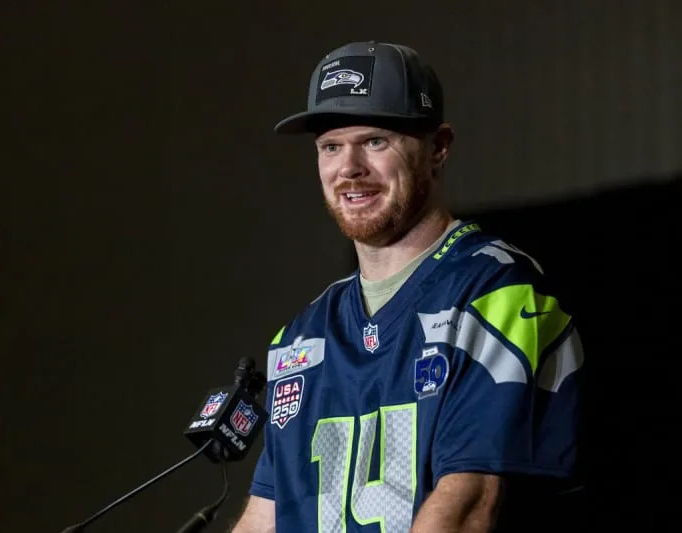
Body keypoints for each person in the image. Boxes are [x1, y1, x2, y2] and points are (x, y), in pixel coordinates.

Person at [231, 40, 585, 533]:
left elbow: (467, 506)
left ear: (438, 147)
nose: (348, 168)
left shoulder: (496, 292)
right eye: (331, 146)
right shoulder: (301, 337)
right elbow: (264, 518)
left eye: (375, 140)